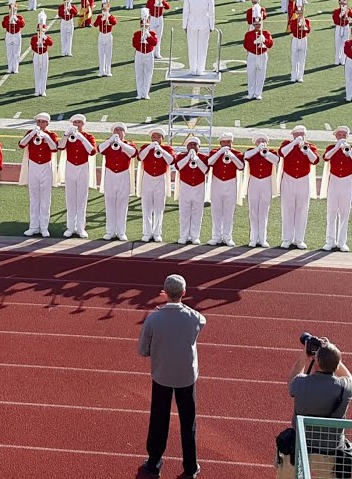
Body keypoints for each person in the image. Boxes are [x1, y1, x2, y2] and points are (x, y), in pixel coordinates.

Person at [137, 274, 205, 479]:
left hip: (162, 375)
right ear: (184, 293)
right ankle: (191, 466)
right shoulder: (195, 318)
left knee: (159, 419)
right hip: (186, 377)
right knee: (188, 421)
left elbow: (142, 350)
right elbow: (200, 319)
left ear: (165, 292)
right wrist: (175, 302)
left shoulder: (153, 319)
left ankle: (154, 463)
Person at [286, 338, 352, 469]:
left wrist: (305, 356)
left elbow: (292, 380)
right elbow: (349, 377)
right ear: (337, 364)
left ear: (317, 361)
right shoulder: (345, 388)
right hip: (331, 450)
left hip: (301, 446)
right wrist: (332, 356)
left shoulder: (300, 383)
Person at [57, 115, 97, 238]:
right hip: (70, 166)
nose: (77, 124)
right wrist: (65, 135)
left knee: (82, 198)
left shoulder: (89, 137)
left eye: (79, 122)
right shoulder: (68, 136)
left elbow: (92, 151)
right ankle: (70, 227)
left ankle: (80, 228)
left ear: (83, 124)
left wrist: (82, 138)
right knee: (70, 198)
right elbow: (60, 147)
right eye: (75, 122)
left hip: (83, 167)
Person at [19, 113, 58, 237]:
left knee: (45, 198)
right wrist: (31, 134)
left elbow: (54, 148)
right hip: (33, 166)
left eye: (43, 122)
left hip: (46, 166)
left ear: (47, 123)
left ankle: (44, 227)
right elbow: (21, 144)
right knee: (34, 197)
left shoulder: (52, 135)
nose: (40, 124)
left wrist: (46, 136)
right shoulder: (30, 133)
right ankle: (33, 226)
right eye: (38, 121)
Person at [322, 127, 352, 252]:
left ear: (347, 136)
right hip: (334, 180)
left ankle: (342, 242)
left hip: (347, 181)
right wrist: (337, 147)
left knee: (345, 212)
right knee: (331, 211)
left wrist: (349, 150)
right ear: (335, 136)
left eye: (344, 134)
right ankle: (330, 241)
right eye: (339, 134)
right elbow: (326, 157)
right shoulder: (331, 148)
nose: (341, 136)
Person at [279, 127, 319, 249]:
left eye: (302, 134)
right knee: (287, 209)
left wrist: (307, 150)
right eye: (297, 134)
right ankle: (287, 239)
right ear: (293, 135)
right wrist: (294, 143)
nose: (300, 136)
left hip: (303, 179)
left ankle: (299, 239)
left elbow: (315, 160)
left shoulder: (310, 146)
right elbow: (282, 153)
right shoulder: (287, 144)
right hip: (288, 179)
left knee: (302, 209)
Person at [98, 124, 137, 241]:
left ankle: (121, 232)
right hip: (110, 174)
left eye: (121, 130)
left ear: (125, 133)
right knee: (109, 201)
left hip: (123, 174)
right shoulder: (108, 143)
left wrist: (120, 143)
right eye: (116, 130)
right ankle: (110, 231)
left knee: (122, 203)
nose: (118, 131)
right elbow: (100, 149)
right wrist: (110, 141)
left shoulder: (128, 144)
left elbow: (133, 153)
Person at [137, 129, 174, 243]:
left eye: (158, 137)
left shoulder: (167, 149)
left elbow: (171, 161)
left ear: (162, 138)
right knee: (146, 206)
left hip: (161, 178)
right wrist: (149, 147)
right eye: (154, 136)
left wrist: (161, 150)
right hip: (147, 178)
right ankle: (147, 232)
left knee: (159, 207)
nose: (156, 139)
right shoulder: (145, 147)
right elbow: (140, 157)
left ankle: (157, 232)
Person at [242, 134, 279, 248]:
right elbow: (246, 157)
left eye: (263, 141)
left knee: (264, 211)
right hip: (253, 181)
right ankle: (253, 238)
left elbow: (276, 160)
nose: (261, 142)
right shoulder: (251, 151)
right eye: (259, 141)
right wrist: (257, 149)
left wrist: (266, 153)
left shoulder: (271, 152)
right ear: (255, 143)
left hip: (266, 182)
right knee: (253, 211)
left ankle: (262, 238)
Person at [206, 133, 243, 246]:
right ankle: (216, 236)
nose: (226, 144)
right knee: (216, 211)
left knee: (229, 212)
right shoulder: (214, 152)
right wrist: (220, 152)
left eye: (228, 142)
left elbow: (241, 166)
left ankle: (227, 236)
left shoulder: (237, 154)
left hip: (230, 184)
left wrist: (231, 156)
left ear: (232, 143)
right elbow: (209, 162)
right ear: (220, 143)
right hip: (217, 183)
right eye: (224, 142)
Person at [174, 137, 209, 245]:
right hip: (185, 186)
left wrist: (196, 158)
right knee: (184, 212)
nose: (193, 146)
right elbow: (178, 166)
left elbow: (205, 170)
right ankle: (183, 236)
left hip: (199, 187)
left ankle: (195, 236)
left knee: (197, 212)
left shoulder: (203, 157)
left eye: (195, 144)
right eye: (190, 144)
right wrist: (188, 156)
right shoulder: (181, 156)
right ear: (187, 146)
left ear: (199, 146)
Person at [183, 0, 216, 75]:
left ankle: (193, 69)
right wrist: (212, 25)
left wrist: (184, 25)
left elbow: (185, 11)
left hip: (191, 22)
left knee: (192, 46)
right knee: (203, 47)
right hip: (204, 22)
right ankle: (200, 69)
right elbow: (211, 12)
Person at [30, 12, 52, 97]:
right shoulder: (34, 38)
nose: (40, 32)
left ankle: (43, 91)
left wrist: (44, 37)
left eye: (42, 30)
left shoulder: (47, 37)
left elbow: (51, 43)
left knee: (44, 73)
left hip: (44, 55)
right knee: (37, 73)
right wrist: (37, 43)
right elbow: (33, 47)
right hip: (36, 55)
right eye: (39, 30)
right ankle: (37, 90)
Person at [1, 0, 25, 75]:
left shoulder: (19, 17)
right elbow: (3, 25)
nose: (13, 11)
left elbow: (22, 25)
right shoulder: (6, 17)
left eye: (14, 10)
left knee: (16, 52)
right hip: (9, 35)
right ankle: (10, 68)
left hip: (16, 35)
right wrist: (9, 19)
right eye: (11, 10)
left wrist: (16, 19)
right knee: (9, 53)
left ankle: (15, 68)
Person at [94, 0, 117, 77]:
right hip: (101, 35)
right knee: (101, 53)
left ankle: (108, 71)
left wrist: (108, 16)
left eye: (105, 8)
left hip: (108, 35)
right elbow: (95, 24)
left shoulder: (111, 17)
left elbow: (114, 22)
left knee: (108, 53)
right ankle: (101, 70)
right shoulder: (99, 16)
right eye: (103, 9)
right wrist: (102, 19)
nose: (104, 10)